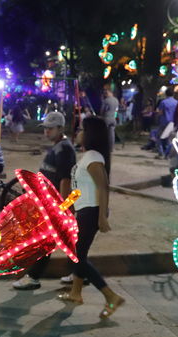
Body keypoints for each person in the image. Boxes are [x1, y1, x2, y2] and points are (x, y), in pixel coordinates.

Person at [57, 116, 125, 319]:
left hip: (92, 212)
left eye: (81, 129)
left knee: (77, 256)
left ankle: (110, 296)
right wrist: (64, 206)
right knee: (79, 255)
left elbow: (103, 187)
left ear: (90, 134)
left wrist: (102, 216)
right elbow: (80, 189)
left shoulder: (94, 157)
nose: (77, 133)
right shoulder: (87, 157)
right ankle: (76, 293)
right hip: (85, 210)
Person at [12, 111, 76, 290]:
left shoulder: (64, 149)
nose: (46, 132)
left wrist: (63, 207)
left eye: (50, 129)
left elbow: (65, 179)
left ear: (61, 128)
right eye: (45, 129)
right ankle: (80, 273)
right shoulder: (57, 147)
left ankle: (33, 277)